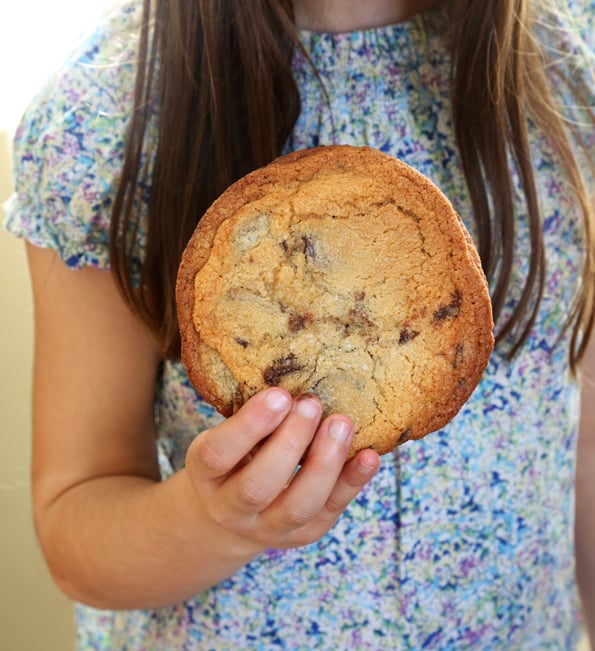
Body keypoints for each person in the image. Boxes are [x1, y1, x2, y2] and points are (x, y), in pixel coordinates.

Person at [4, 0, 595, 648]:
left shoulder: (567, 52)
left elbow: (583, 446)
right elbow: (78, 513)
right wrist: (214, 521)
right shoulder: (104, 115)